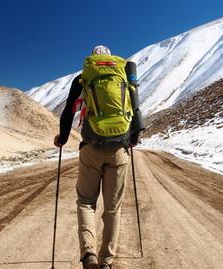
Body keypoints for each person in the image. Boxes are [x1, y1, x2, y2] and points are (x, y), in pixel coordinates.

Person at [54, 45, 145, 269]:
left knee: (86, 202)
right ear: (110, 58)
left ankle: (89, 255)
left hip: (91, 149)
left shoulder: (84, 77)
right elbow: (134, 109)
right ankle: (106, 261)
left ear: (92, 59)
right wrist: (132, 139)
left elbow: (68, 111)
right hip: (119, 151)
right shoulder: (123, 74)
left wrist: (63, 138)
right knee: (113, 208)